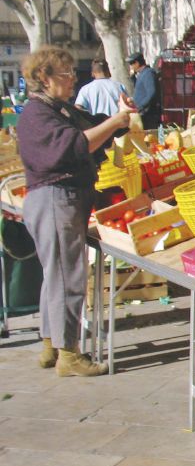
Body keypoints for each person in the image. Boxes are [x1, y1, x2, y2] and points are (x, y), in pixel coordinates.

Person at [18, 46, 136, 376]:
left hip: (62, 198)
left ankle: (49, 344)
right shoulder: (37, 116)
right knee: (68, 277)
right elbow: (75, 145)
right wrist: (115, 121)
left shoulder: (57, 109)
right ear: (44, 77)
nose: (73, 80)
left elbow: (92, 126)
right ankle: (68, 354)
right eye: (65, 74)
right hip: (56, 198)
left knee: (54, 274)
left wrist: (118, 120)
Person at [126, 51, 161, 129]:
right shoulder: (141, 74)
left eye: (131, 64)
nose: (131, 67)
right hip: (144, 114)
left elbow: (152, 93)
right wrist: (133, 78)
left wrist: (140, 107)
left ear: (137, 63)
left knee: (153, 137)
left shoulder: (148, 73)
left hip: (150, 114)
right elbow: (140, 90)